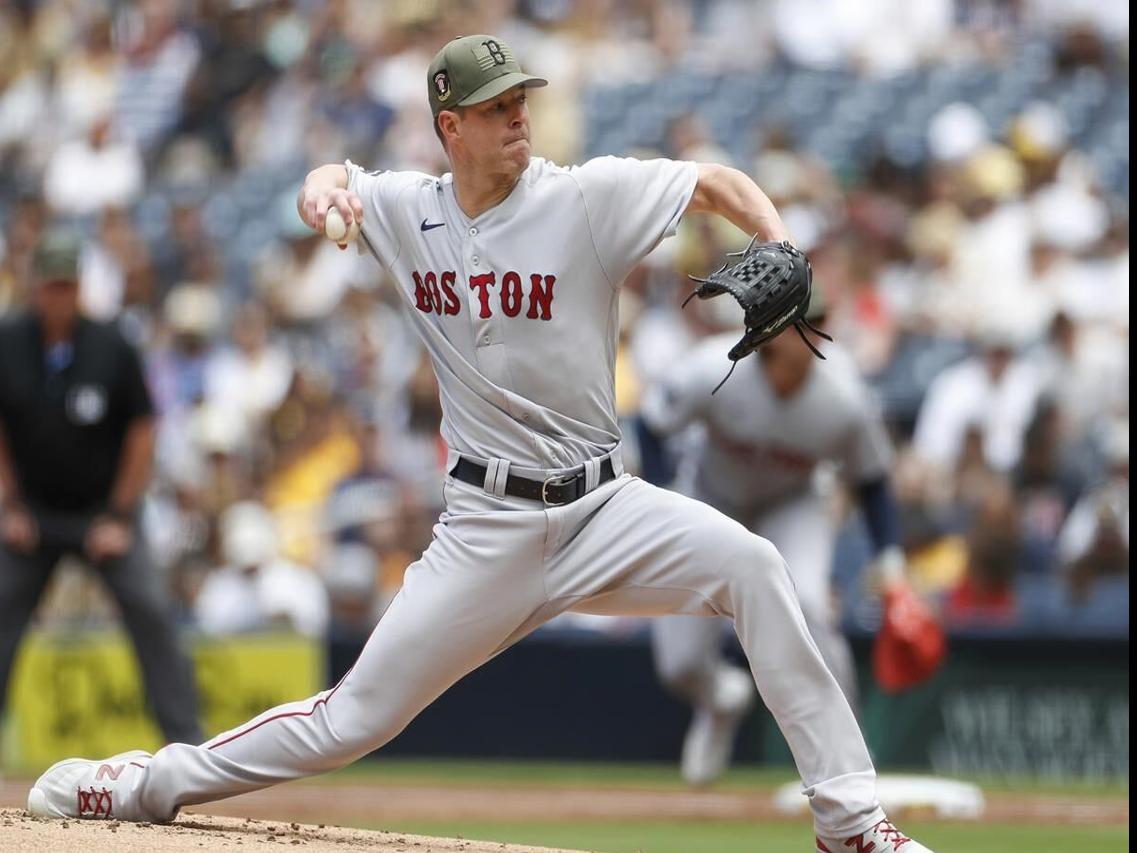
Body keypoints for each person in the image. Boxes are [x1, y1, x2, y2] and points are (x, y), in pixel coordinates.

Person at [27, 35, 931, 853]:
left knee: (755, 565)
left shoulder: (582, 198)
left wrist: (776, 237)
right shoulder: (404, 209)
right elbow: (328, 182)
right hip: (485, 526)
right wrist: (322, 192)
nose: (519, 117)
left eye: (521, 100)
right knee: (351, 721)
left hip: (602, 505)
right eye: (498, 106)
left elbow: (710, 181)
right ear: (449, 125)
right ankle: (141, 784)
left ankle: (848, 822)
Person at [638, 297, 905, 786]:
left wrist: (889, 556)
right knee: (679, 664)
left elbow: (873, 479)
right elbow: (653, 425)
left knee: (808, 607)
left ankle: (851, 767)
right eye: (804, 320)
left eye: (821, 319)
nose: (818, 330)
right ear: (770, 327)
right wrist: (666, 495)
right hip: (711, 497)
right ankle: (721, 699)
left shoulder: (843, 393)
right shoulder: (718, 366)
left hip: (794, 506)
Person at [0, 228, 202, 749]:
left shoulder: (111, 345)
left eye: (67, 285)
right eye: (51, 285)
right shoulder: (9, 341)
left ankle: (187, 748)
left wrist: (118, 514)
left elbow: (142, 430)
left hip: (103, 513)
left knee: (152, 611)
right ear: (35, 285)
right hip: (32, 514)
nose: (59, 295)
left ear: (80, 288)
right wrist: (9, 503)